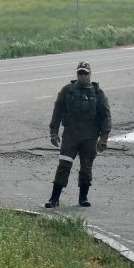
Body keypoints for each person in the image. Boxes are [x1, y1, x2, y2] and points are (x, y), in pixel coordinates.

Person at [45, 61, 111, 208]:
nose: (82, 76)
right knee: (64, 165)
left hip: (90, 136)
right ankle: (54, 199)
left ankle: (83, 198)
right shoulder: (67, 90)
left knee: (86, 167)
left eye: (85, 73)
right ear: (77, 74)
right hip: (70, 136)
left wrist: (104, 139)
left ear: (90, 74)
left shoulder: (97, 92)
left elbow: (106, 116)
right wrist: (53, 132)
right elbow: (57, 111)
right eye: (80, 73)